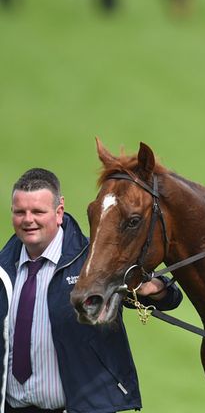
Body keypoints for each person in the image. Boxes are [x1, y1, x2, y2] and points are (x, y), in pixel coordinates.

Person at [0, 168, 183, 412]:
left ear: (59, 211)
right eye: (20, 212)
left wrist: (154, 288)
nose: (28, 220)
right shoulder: (3, 269)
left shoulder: (93, 264)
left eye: (38, 212)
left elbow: (170, 297)